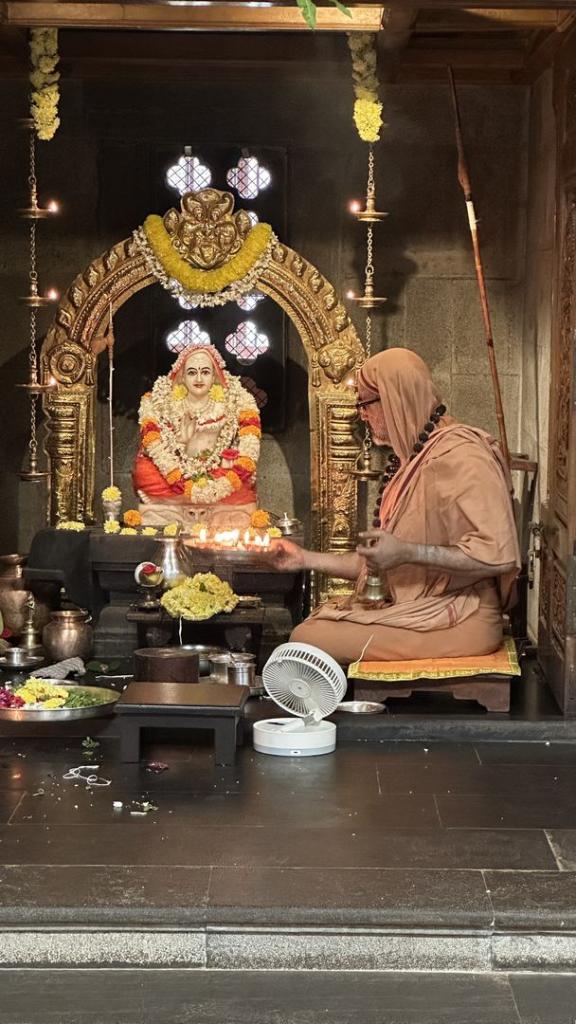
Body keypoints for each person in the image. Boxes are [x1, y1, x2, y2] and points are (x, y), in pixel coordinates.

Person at [270, 348, 520, 665]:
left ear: (395, 399)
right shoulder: (412, 458)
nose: (362, 415)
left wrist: (407, 552)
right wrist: (304, 559)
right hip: (422, 607)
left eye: (365, 404)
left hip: (461, 616)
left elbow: (498, 555)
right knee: (312, 626)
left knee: (307, 639)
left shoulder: (463, 456)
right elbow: (378, 564)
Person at [133, 344, 261, 528]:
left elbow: (245, 445)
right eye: (192, 372)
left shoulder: (230, 402)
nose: (199, 378)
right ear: (182, 377)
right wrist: (181, 443)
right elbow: (153, 446)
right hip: (175, 473)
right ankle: (205, 507)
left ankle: (178, 509)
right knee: (144, 472)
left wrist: (226, 464)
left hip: (215, 473)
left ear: (215, 376)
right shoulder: (167, 404)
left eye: (205, 372)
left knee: (242, 477)